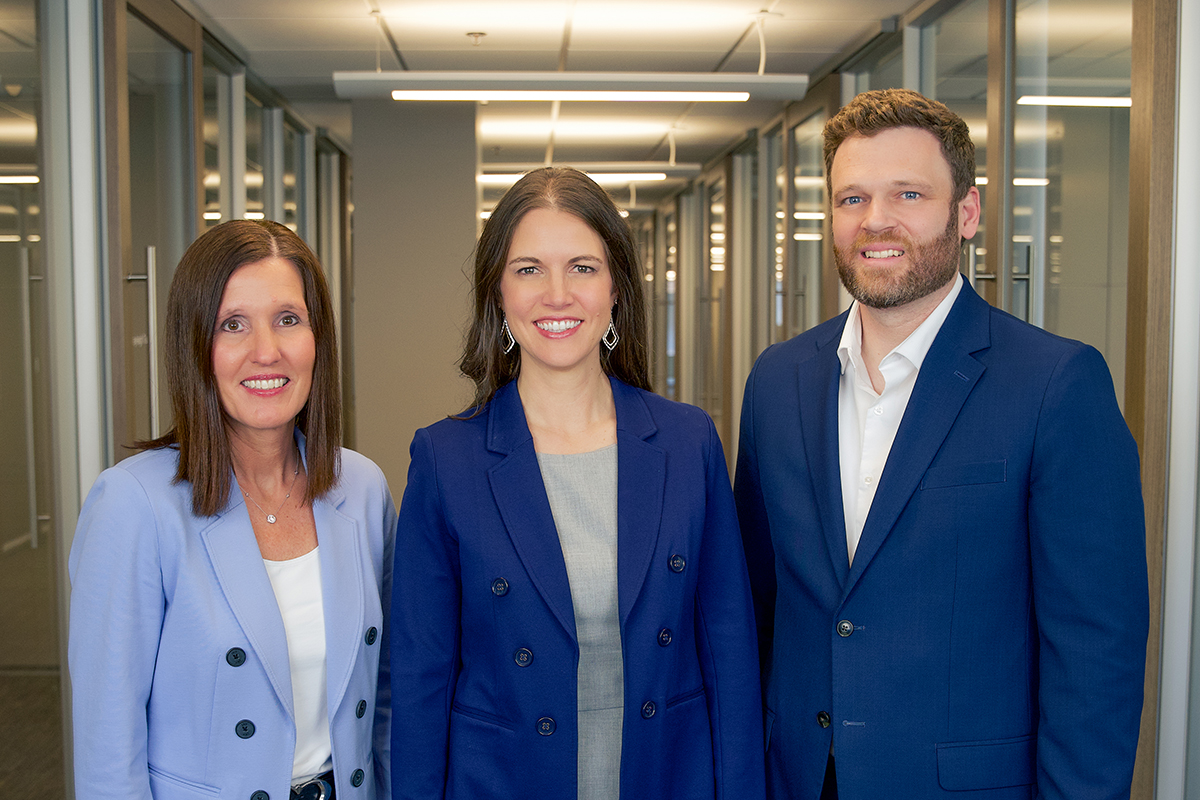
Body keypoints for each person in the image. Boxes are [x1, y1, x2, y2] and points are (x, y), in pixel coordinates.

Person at [734, 88, 1149, 800]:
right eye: (851, 198)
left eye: (908, 194)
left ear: (967, 212)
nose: (876, 221)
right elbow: (757, 611)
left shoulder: (1055, 384)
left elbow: (1095, 652)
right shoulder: (778, 382)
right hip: (799, 779)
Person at [391, 167, 764, 799]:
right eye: (529, 268)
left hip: (667, 778)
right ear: (498, 294)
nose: (557, 294)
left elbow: (730, 658)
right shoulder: (445, 458)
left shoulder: (688, 441)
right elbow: (421, 680)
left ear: (615, 287)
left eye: (583, 268)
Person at [69, 220, 396, 800]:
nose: (265, 351)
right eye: (232, 325)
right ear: (196, 346)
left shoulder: (363, 490)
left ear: (318, 337)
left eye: (288, 320)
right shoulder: (135, 505)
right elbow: (108, 745)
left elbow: (388, 697)